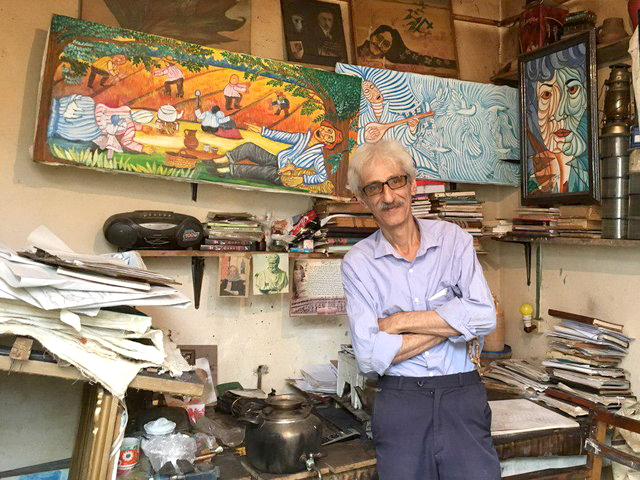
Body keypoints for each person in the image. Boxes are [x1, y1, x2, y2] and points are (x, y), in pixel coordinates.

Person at [340, 140, 499, 480]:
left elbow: (485, 316)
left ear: (412, 185)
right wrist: (455, 322)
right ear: (363, 200)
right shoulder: (358, 263)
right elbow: (368, 356)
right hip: (401, 402)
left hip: (462, 395)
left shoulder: (454, 240)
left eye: (395, 181)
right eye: (374, 187)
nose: (388, 196)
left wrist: (398, 322)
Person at [524, 43, 588, 194]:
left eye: (572, 90)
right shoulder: (536, 175)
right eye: (546, 94)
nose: (559, 114)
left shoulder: (584, 174)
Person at [209, 122, 342, 194]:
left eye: (328, 137)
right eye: (327, 130)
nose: (324, 133)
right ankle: (223, 160)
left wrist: (303, 179)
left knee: (262, 171)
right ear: (323, 126)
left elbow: (322, 176)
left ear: (326, 143)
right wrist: (263, 131)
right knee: (249, 147)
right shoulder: (302, 138)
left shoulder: (317, 156)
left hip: (286, 175)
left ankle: (227, 170)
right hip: (277, 160)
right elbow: (283, 136)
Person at [47, 94, 155, 155]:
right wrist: (141, 131)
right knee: (73, 112)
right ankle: (54, 112)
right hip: (92, 112)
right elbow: (128, 137)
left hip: (92, 126)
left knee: (74, 124)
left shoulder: (128, 120)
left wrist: (142, 147)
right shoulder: (127, 112)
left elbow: (127, 141)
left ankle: (53, 122)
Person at [357, 24, 456, 70]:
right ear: (373, 35)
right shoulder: (354, 50)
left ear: (389, 50)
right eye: (379, 38)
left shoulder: (386, 66)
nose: (379, 45)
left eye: (386, 44)